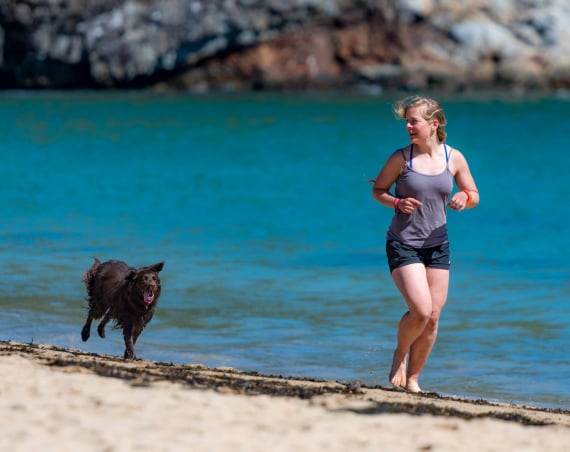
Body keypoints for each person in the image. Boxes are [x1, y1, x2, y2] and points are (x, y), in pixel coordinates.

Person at [371, 96, 479, 393]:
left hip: (438, 245)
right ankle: (399, 354)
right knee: (420, 309)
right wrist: (396, 202)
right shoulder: (400, 158)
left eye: (413, 121)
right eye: (406, 121)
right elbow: (378, 190)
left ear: (433, 124)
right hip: (403, 243)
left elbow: (473, 193)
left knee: (432, 317)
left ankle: (414, 380)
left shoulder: (453, 158)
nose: (408, 126)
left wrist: (464, 198)